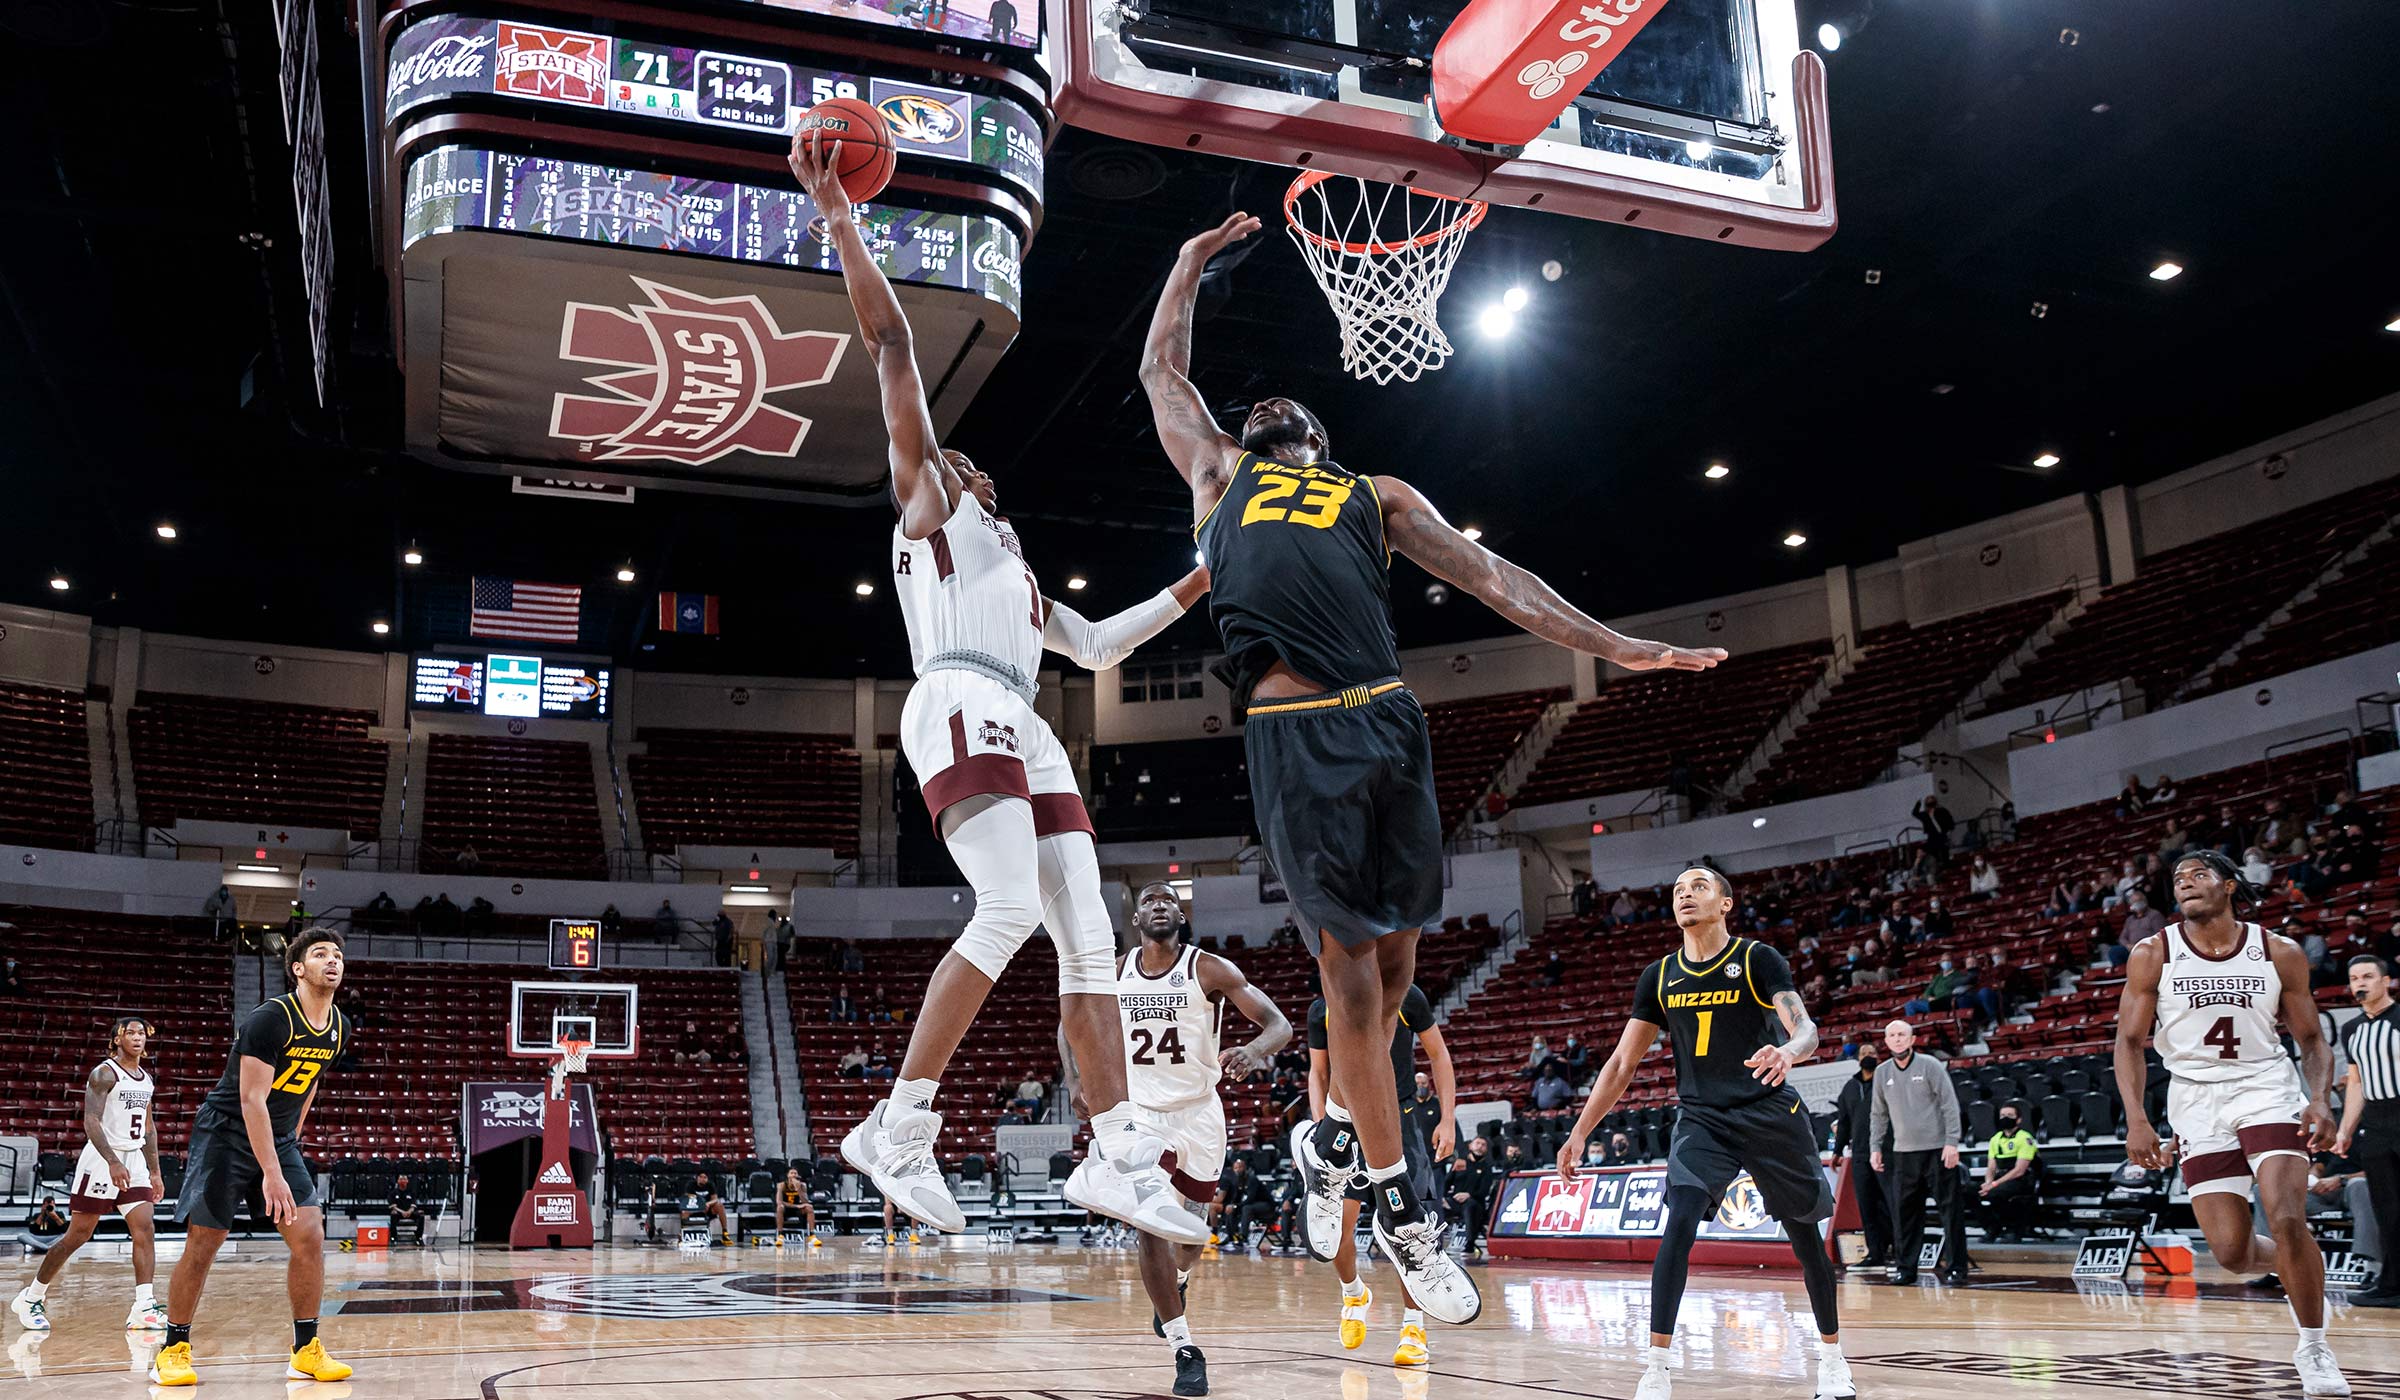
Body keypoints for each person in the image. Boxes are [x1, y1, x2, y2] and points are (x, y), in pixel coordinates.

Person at [1143, 211, 1723, 1329]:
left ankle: (1333, 1143)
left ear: (1315, 433)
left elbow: (1500, 575)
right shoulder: (1218, 475)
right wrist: (1186, 256)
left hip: (1392, 723)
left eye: (1284, 409)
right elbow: (1161, 370)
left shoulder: (1381, 494)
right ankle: (1404, 1204)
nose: (1266, 410)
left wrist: (1614, 643)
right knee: (1349, 979)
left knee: (1400, 985)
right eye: (1255, 408)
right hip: (1296, 735)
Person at [788, 129, 1211, 1248]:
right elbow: (888, 349)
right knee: (1011, 907)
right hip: (955, 696)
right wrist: (841, 219)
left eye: (977, 458)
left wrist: (1209, 572)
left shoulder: (1018, 575)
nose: (971, 459)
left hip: (1023, 712)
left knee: (1090, 938)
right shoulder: (932, 507)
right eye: (956, 452)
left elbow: (1106, 642)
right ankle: (899, 1124)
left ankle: (1117, 1150)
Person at [1555, 867, 1846, 1400]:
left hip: (1768, 1111)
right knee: (1681, 1219)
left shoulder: (1757, 959)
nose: (1685, 894)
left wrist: (1787, 1050)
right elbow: (1622, 1063)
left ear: (1725, 903)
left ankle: (1831, 1357)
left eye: (1698, 886)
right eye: (1677, 890)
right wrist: (1579, 1132)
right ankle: (1657, 1368)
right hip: (1703, 1119)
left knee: (1806, 1240)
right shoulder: (1660, 976)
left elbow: (1805, 1028)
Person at [2113, 851, 2348, 1396]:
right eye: (2178, 878)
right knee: (2233, 1253)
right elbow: (2128, 1042)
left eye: (2199, 875)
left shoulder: (2277, 951)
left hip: (2265, 1086)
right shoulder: (2152, 954)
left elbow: (2311, 1039)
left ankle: (2314, 1347)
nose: (2186, 884)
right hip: (2195, 1098)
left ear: (2230, 885)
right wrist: (2137, 1118)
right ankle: (2301, 1267)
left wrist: (2319, 1099)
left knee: (2287, 1215)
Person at [151, 928, 354, 1386]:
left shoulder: (338, 1024)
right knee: (205, 1243)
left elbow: (311, 1081)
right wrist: (272, 1172)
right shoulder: (271, 1018)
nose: (333, 961)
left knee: (309, 1236)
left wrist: (290, 1141)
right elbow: (250, 1100)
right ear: (299, 968)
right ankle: (173, 1349)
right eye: (321, 954)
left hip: (275, 1136)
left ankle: (305, 1350)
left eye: (338, 955)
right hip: (225, 1133)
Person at [1115, 883, 1292, 1396]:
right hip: (1142, 1117)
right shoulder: (1114, 970)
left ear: (1182, 915)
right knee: (1148, 1223)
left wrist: (1257, 1049)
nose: (1159, 905)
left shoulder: (1207, 968)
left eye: (1169, 899)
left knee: (1191, 1236)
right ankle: (1184, 1346)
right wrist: (1082, 1077)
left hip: (1199, 1115)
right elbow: (1072, 1022)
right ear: (1137, 917)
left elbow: (1278, 1024)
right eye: (1149, 900)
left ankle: (1182, 1279)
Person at [1304, 979, 1457, 1367]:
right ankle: (1354, 1293)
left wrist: (1448, 1119)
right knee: (1336, 1224)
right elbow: (1318, 1071)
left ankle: (1413, 1328)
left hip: (1399, 1117)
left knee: (1409, 1229)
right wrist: (1324, 1125)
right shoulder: (1323, 1006)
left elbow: (1438, 1054)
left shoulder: (1408, 996)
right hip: (1347, 1120)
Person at [9, 1016, 166, 1333]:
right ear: (116, 1039)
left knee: (145, 1228)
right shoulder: (103, 1073)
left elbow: (148, 1128)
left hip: (133, 1158)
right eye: (130, 1033)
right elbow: (91, 1121)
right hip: (101, 1160)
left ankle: (143, 1306)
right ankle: (31, 1297)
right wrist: (112, 1161)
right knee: (77, 1236)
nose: (137, 1038)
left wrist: (154, 1171)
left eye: (141, 1033)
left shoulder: (145, 1079)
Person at [1868, 1019, 1966, 1287]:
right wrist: (1875, 1148)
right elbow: (1878, 1115)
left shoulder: (1930, 1065)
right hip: (1903, 1154)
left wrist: (1952, 1142)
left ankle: (1957, 1267)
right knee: (1904, 1214)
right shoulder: (1881, 1073)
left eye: (1902, 1034)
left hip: (1938, 1150)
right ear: (1886, 1041)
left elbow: (1949, 1104)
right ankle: (1905, 1269)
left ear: (1912, 1040)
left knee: (1951, 1211)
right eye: (1892, 1035)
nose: (1898, 1039)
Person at [2335, 954, 2400, 1306]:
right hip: (2375, 1122)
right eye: (2354, 978)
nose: (2360, 983)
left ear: (2386, 981)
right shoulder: (2351, 1029)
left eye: (2368, 976)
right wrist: (2346, 1130)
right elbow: (2356, 1083)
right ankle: (2391, 1285)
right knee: (2387, 1208)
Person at [1829, 1047, 1891, 1271]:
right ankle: (1875, 1253)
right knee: (1867, 1205)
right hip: (1860, 1154)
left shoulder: (1887, 1081)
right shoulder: (1850, 1087)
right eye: (1864, 1053)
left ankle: (1900, 1252)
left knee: (1891, 1203)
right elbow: (1843, 1121)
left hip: (1887, 1151)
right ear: (1858, 1059)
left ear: (1879, 1057)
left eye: (1872, 1052)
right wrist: (1837, 1151)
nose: (1868, 1056)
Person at [1977, 1107, 2039, 1241]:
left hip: (2021, 1180)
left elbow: (2019, 1170)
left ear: (2019, 1119)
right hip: (2000, 1179)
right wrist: (1988, 1183)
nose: (2005, 1118)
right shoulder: (1995, 1139)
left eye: (2010, 1115)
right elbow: (1991, 1167)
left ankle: (2012, 1228)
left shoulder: (2025, 1138)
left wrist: (1994, 1184)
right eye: (2002, 1115)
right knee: (1967, 1192)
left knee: (1996, 1193)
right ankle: (1992, 1226)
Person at [1445, 1138, 1499, 1258]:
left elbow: (1484, 1190)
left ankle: (1469, 1244)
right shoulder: (1460, 1163)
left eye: (1483, 1145)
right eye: (1477, 1143)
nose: (1480, 1146)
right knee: (1435, 1205)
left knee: (1470, 1206)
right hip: (1454, 1201)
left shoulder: (1487, 1167)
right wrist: (1442, 1198)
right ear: (1470, 1146)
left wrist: (1469, 1195)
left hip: (1475, 1202)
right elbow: (1447, 1182)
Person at [775, 1167, 820, 1248]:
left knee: (809, 1207)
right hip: (786, 1208)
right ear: (788, 1175)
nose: (793, 1175)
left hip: (798, 1209)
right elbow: (779, 1201)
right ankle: (780, 1235)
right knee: (779, 1207)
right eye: (791, 1173)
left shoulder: (802, 1185)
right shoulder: (781, 1185)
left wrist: (798, 1189)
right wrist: (796, 1206)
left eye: (795, 1173)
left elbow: (805, 1201)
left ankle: (812, 1236)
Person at [678, 1173, 730, 1242]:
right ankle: (683, 1233)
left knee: (720, 1206)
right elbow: (688, 1200)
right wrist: (700, 1206)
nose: (703, 1179)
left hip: (707, 1208)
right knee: (684, 1211)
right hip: (694, 1208)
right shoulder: (691, 1185)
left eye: (705, 1177)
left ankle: (725, 1232)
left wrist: (708, 1203)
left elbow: (715, 1199)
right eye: (701, 1177)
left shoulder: (710, 1185)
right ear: (697, 1178)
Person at [388, 1175, 424, 1245]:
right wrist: (403, 1212)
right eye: (401, 1179)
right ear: (398, 1181)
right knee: (393, 1214)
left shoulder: (411, 1192)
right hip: (399, 1212)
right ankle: (393, 1237)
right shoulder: (393, 1193)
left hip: (410, 1212)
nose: (403, 1181)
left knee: (421, 1215)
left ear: (407, 1181)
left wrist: (409, 1212)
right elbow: (393, 1207)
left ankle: (419, 1237)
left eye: (404, 1179)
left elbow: (413, 1205)